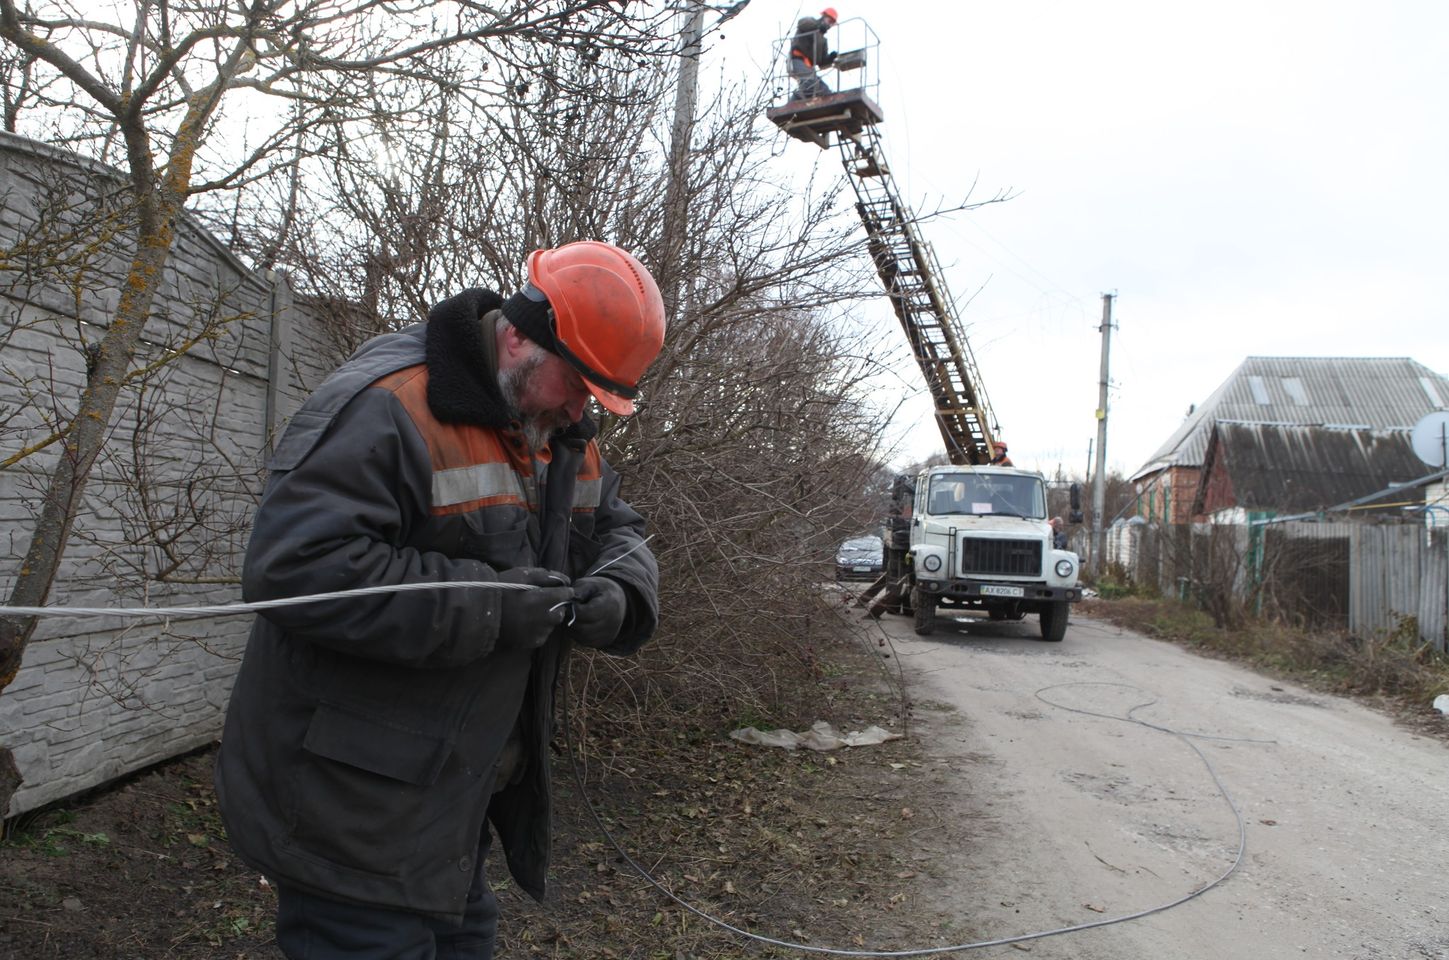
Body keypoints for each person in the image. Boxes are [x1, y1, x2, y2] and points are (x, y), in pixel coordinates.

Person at [214, 240, 666, 960]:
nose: (583, 407)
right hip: (352, 815)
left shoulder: (562, 431)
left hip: (451, 810)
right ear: (519, 334)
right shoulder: (390, 406)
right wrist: (490, 608)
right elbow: (293, 569)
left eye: (597, 393)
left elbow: (619, 530)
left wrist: (620, 593)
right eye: (575, 381)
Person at [788, 7, 838, 101]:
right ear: (823, 16)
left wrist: (831, 58)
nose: (829, 23)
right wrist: (818, 26)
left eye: (832, 22)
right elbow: (802, 23)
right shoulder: (810, 22)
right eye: (829, 20)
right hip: (798, 60)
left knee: (824, 90)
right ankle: (790, 105)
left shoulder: (823, 40)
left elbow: (821, 63)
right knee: (809, 84)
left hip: (809, 67)